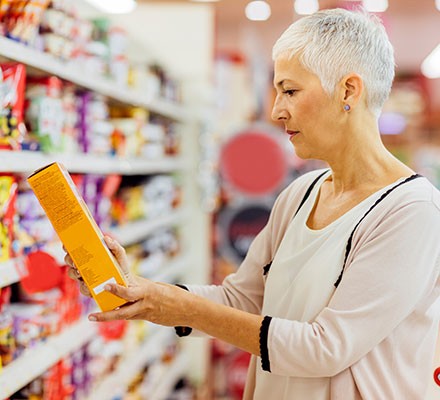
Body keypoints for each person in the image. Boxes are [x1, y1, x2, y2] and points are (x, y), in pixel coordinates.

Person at [65, 8, 440, 400]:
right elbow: (240, 299)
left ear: (348, 91)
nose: (277, 110)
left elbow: (326, 347)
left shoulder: (412, 212)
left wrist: (180, 307)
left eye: (290, 91)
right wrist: (140, 292)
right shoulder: (301, 194)